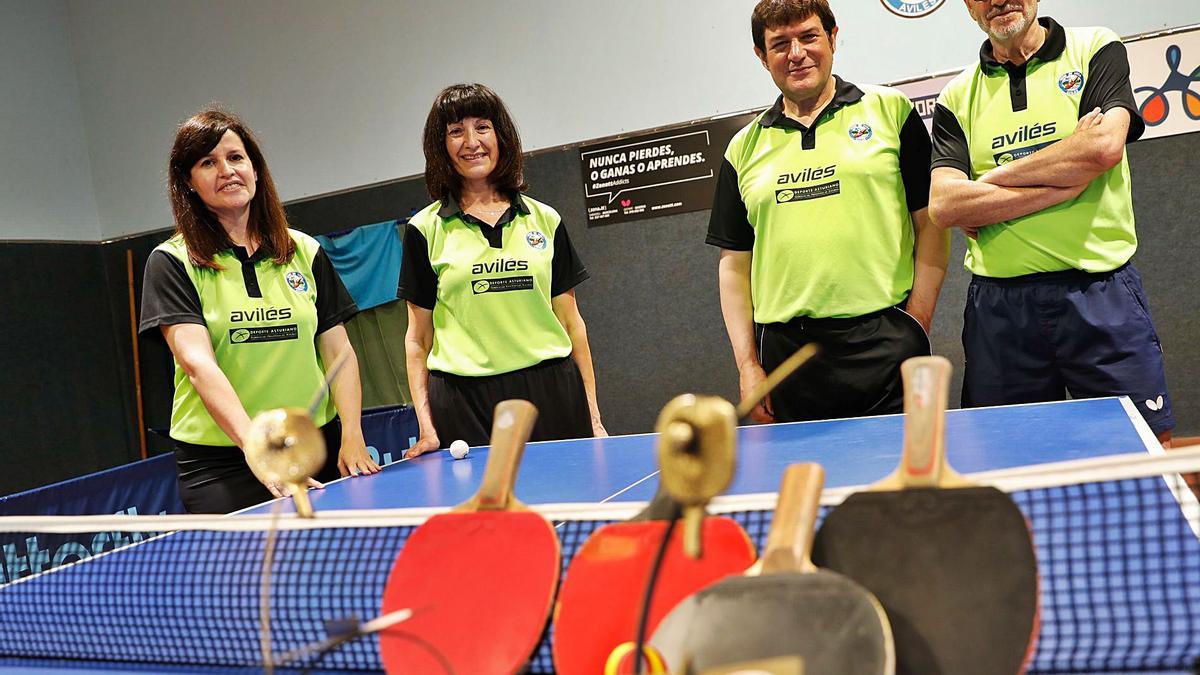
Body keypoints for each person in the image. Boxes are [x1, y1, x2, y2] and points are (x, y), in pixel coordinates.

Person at [928, 0, 1173, 443]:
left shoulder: (1096, 47)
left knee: (1142, 458)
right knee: (1008, 465)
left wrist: (986, 187)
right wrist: (1063, 176)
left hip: (1100, 294)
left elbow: (1101, 148)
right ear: (967, 5)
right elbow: (944, 206)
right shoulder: (955, 97)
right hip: (998, 311)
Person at [711, 0, 949, 423]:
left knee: (901, 486)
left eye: (808, 36)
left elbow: (929, 222)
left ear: (833, 38)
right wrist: (748, 365)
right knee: (805, 485)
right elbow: (734, 266)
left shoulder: (890, 111)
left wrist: (917, 321)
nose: (797, 53)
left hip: (886, 343)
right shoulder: (742, 148)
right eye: (780, 44)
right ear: (761, 57)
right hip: (788, 359)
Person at [140, 108, 379, 514]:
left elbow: (339, 355)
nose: (227, 171)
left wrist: (352, 433)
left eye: (236, 158)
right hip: (222, 466)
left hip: (311, 444)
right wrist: (258, 450)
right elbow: (199, 366)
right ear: (188, 183)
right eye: (208, 163)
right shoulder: (171, 262)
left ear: (254, 168)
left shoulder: (304, 251)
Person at [399, 83, 605, 456]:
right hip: (466, 403)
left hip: (552, 392)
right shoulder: (423, 230)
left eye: (482, 127)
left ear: (501, 136)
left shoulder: (546, 219)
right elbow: (417, 340)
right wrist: (426, 427)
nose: (471, 141)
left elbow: (573, 323)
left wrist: (592, 415)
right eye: (456, 131)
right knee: (490, 516)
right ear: (440, 147)